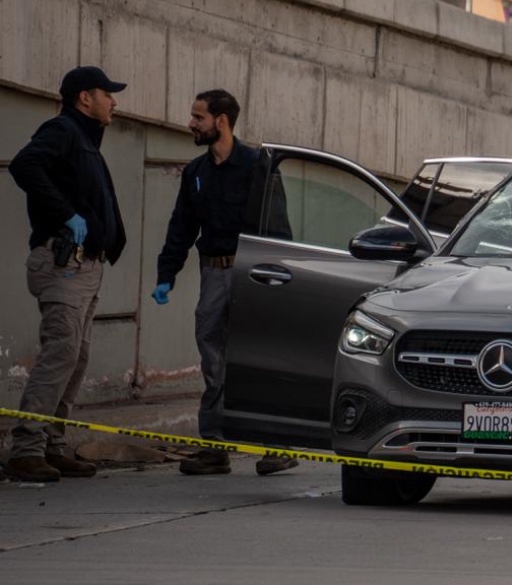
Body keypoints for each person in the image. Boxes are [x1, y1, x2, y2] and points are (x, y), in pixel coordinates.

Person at [151, 90, 296, 477]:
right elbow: (181, 227)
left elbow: (277, 227)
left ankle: (278, 445)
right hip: (213, 273)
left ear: (221, 121)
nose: (191, 123)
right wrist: (166, 274)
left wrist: (277, 280)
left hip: (252, 272)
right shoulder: (196, 172)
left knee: (258, 357)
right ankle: (215, 447)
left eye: (198, 117)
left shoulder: (257, 165)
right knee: (213, 357)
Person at [4, 67, 128, 482]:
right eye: (107, 93)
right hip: (63, 264)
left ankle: (52, 445)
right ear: (84, 97)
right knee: (61, 352)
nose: (114, 101)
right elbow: (24, 165)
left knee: (76, 356)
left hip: (85, 265)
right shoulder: (63, 130)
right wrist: (66, 214)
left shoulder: (85, 140)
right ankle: (26, 449)